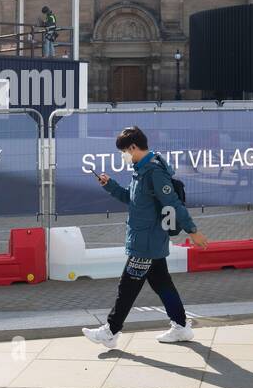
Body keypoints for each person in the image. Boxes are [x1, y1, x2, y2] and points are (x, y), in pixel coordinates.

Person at [83, 126, 210, 349]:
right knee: (162, 284)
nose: (122, 156)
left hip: (146, 242)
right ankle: (181, 326)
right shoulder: (140, 170)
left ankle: (111, 331)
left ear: (133, 147)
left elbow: (173, 204)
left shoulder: (154, 172)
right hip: (145, 239)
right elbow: (132, 200)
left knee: (127, 287)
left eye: (123, 151)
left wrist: (193, 231)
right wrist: (109, 185)